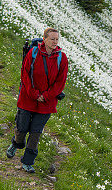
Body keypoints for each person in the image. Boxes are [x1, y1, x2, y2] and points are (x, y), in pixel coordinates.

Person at [5, 28, 68, 172]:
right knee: (21, 128)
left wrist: (45, 96)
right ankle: (16, 143)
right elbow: (25, 74)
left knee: (35, 133)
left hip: (47, 103)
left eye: (57, 39)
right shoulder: (33, 53)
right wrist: (34, 94)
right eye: (52, 39)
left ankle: (28, 162)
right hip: (28, 98)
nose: (55, 42)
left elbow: (60, 82)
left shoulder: (62, 58)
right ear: (44, 39)